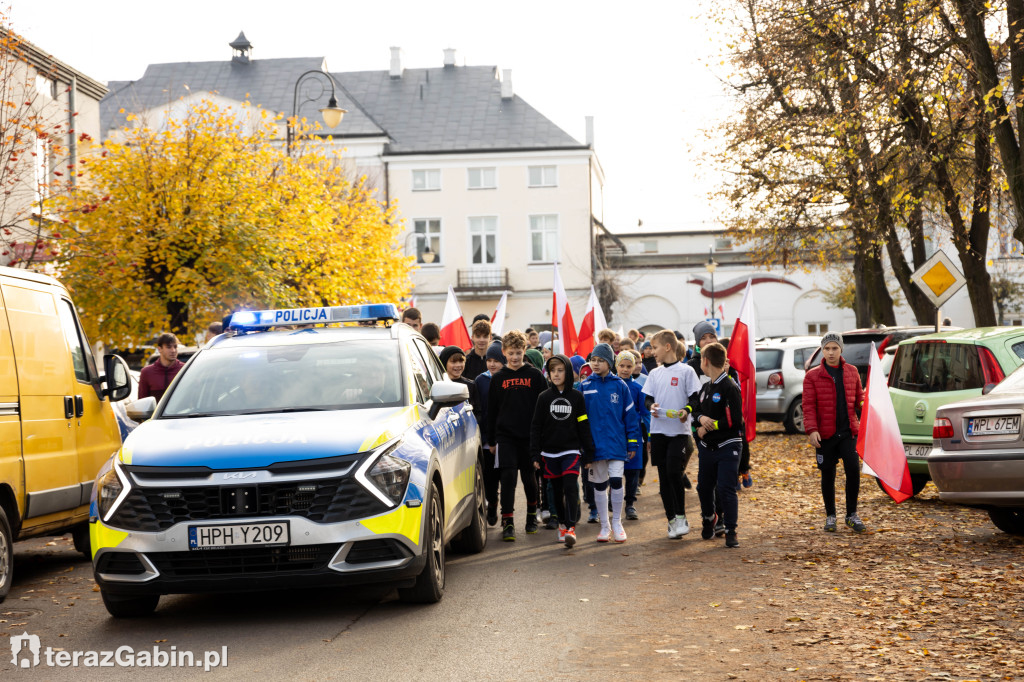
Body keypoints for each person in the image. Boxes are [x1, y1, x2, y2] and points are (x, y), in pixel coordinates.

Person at [486, 330, 547, 541]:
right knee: (508, 478)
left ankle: (531, 515)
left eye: (518, 352)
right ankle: (508, 520)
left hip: (529, 437)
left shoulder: (535, 375)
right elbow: (491, 411)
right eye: (511, 353)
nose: (514, 357)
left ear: (525, 351)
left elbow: (544, 407)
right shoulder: (498, 379)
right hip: (505, 437)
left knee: (529, 479)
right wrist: (491, 440)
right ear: (504, 352)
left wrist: (541, 438)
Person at [530, 354, 595, 548]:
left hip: (571, 451)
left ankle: (571, 527)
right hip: (549, 453)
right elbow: (536, 426)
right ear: (548, 374)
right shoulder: (543, 397)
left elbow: (583, 425)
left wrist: (589, 452)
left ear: (568, 372)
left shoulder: (577, 397)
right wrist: (535, 453)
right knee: (556, 491)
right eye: (553, 371)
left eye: (561, 370)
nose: (556, 374)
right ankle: (561, 524)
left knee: (570, 486)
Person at [803, 332, 867, 533]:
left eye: (834, 348)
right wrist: (812, 430)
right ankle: (830, 516)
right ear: (822, 350)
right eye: (827, 348)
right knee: (828, 474)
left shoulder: (851, 371)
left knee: (853, 470)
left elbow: (859, 397)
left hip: (847, 432)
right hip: (825, 434)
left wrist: (867, 406)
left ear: (841, 349)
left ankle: (851, 514)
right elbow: (808, 406)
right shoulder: (812, 376)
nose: (831, 352)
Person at [643, 329, 701, 540]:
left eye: (655, 347)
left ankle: (681, 516)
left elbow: (695, 399)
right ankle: (671, 521)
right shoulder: (654, 373)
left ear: (667, 347)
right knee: (663, 477)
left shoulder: (686, 371)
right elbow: (647, 399)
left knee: (674, 472)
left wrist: (687, 410)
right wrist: (652, 406)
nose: (652, 351)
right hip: (658, 431)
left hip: (679, 432)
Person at [684, 342, 743, 548]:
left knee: (726, 488)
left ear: (706, 361)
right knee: (703, 487)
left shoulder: (729, 387)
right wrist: (700, 420)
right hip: (708, 448)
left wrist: (709, 426)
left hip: (728, 445)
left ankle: (731, 530)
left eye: (701, 359)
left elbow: (736, 420)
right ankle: (709, 518)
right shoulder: (705, 387)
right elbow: (697, 410)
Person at [580, 343, 641, 543]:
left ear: (609, 362)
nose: (596, 364)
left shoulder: (620, 385)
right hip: (595, 447)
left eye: (600, 360)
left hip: (616, 444)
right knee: (599, 485)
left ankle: (617, 522)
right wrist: (584, 446)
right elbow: (580, 420)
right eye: (593, 360)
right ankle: (604, 526)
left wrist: (632, 443)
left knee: (616, 481)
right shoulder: (585, 386)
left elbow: (630, 417)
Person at [615, 351, 649, 521]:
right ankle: (612, 502)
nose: (626, 369)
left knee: (632, 471)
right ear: (616, 366)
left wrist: (649, 436)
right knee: (613, 471)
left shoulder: (637, 388)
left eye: (629, 366)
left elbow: (645, 413)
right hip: (614, 435)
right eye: (622, 366)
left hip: (633, 435)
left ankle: (630, 505)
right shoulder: (610, 386)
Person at [476, 341, 506, 526]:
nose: (492, 364)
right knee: (490, 480)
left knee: (506, 478)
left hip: (505, 439)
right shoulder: (481, 381)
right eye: (489, 360)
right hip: (488, 440)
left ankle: (506, 514)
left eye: (497, 360)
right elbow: (481, 411)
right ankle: (492, 505)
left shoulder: (507, 378)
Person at [138, 333, 185, 402]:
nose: (173, 350)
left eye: (175, 347)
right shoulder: (147, 372)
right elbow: (142, 403)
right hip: (156, 412)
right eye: (169, 347)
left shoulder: (185, 370)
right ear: (160, 349)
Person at [440, 346, 481, 415]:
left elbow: (477, 411)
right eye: (453, 362)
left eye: (461, 361)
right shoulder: (439, 385)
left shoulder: (471, 385)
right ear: (445, 363)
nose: (458, 365)